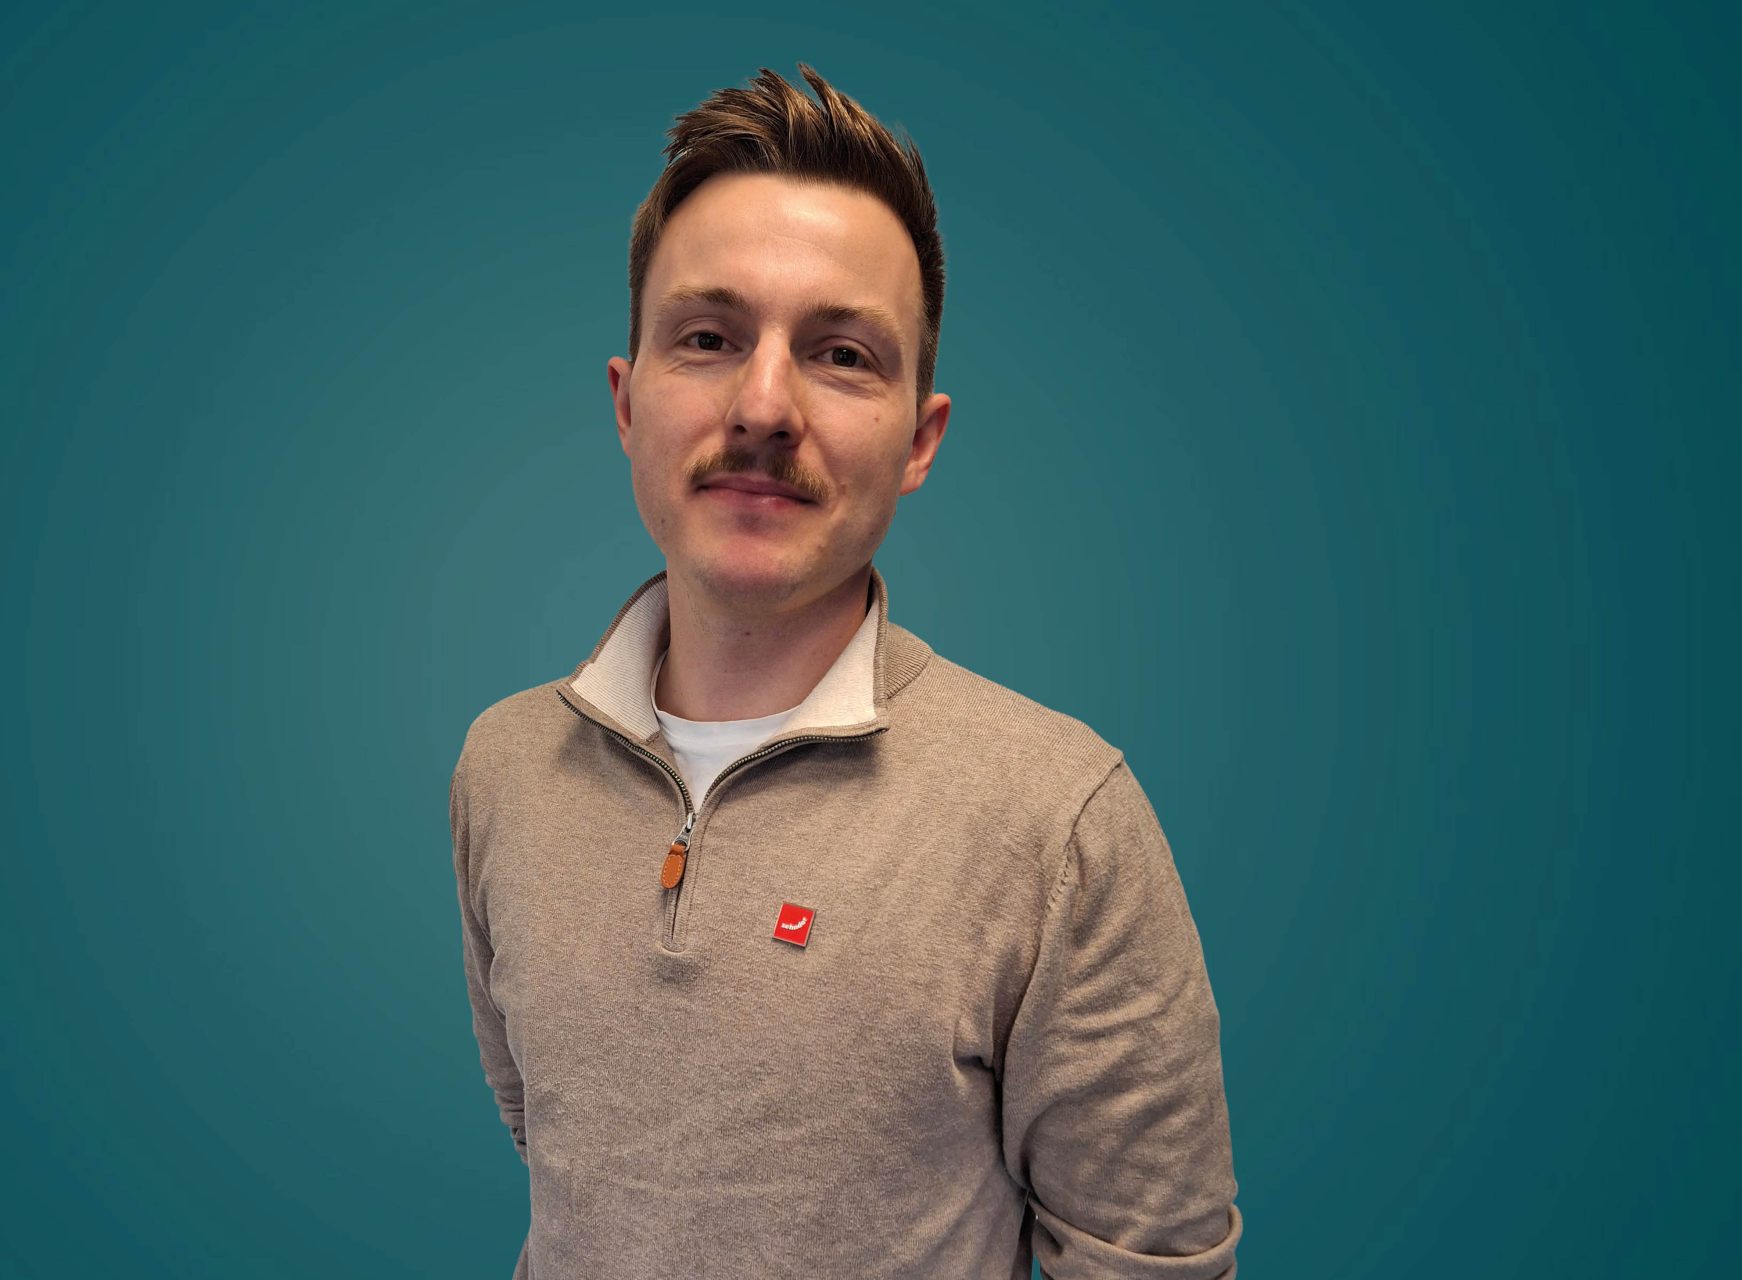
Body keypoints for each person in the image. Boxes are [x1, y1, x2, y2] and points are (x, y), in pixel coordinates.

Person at [447, 63, 1240, 1279]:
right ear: (626, 401)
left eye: (841, 354)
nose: (764, 404)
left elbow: (1150, 1260)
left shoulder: (1058, 818)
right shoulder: (503, 766)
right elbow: (559, 1150)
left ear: (920, 437)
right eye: (707, 338)